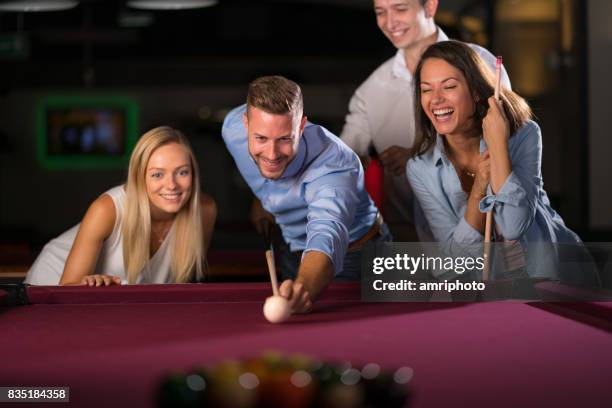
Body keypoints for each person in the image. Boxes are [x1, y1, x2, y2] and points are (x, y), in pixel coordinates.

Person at [406, 40, 599, 286]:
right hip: (486, 291)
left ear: (476, 92)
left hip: (555, 280)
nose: (436, 99)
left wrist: (497, 146)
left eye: (449, 86)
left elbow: (513, 227)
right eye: (426, 90)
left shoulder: (524, 134)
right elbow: (453, 262)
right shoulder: (420, 168)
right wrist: (478, 190)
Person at [340, 0, 510, 241]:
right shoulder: (370, 91)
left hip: (494, 232)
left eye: (400, 9)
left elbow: (504, 139)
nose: (389, 22)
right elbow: (341, 158)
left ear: (430, 7)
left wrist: (417, 153)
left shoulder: (481, 62)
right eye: (380, 12)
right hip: (411, 242)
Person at [222, 75, 389, 312]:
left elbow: (327, 233)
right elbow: (266, 174)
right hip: (292, 249)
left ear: (301, 127)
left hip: (357, 255)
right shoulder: (232, 129)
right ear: (245, 124)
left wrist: (304, 286)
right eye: (260, 138)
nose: (271, 154)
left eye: (284, 139)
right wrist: (264, 199)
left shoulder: (336, 164)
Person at [25, 126, 217, 286]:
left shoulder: (205, 210)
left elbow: (182, 281)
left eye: (182, 172)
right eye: (158, 174)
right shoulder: (106, 209)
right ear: (138, 178)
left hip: (115, 302)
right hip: (51, 287)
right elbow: (68, 287)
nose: (172, 185)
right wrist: (92, 283)